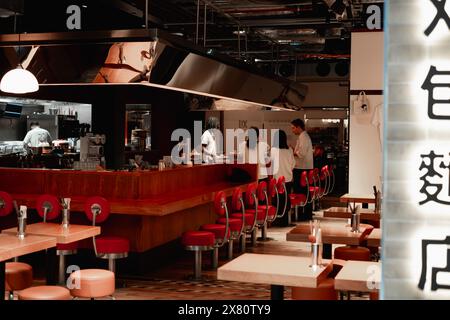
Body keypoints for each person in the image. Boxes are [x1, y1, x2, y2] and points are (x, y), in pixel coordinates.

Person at [270, 130, 295, 226]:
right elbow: (293, 164)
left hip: (277, 179)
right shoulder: (289, 150)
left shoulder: (273, 150)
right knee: (286, 198)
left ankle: (277, 220)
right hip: (287, 178)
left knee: (277, 200)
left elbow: (270, 164)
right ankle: (285, 220)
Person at [291, 118, 313, 221]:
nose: (292, 130)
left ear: (298, 127)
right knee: (304, 191)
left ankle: (303, 214)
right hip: (303, 167)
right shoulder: (303, 137)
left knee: (301, 192)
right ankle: (302, 213)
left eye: (293, 128)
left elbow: (302, 154)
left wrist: (292, 152)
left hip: (302, 168)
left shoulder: (304, 137)